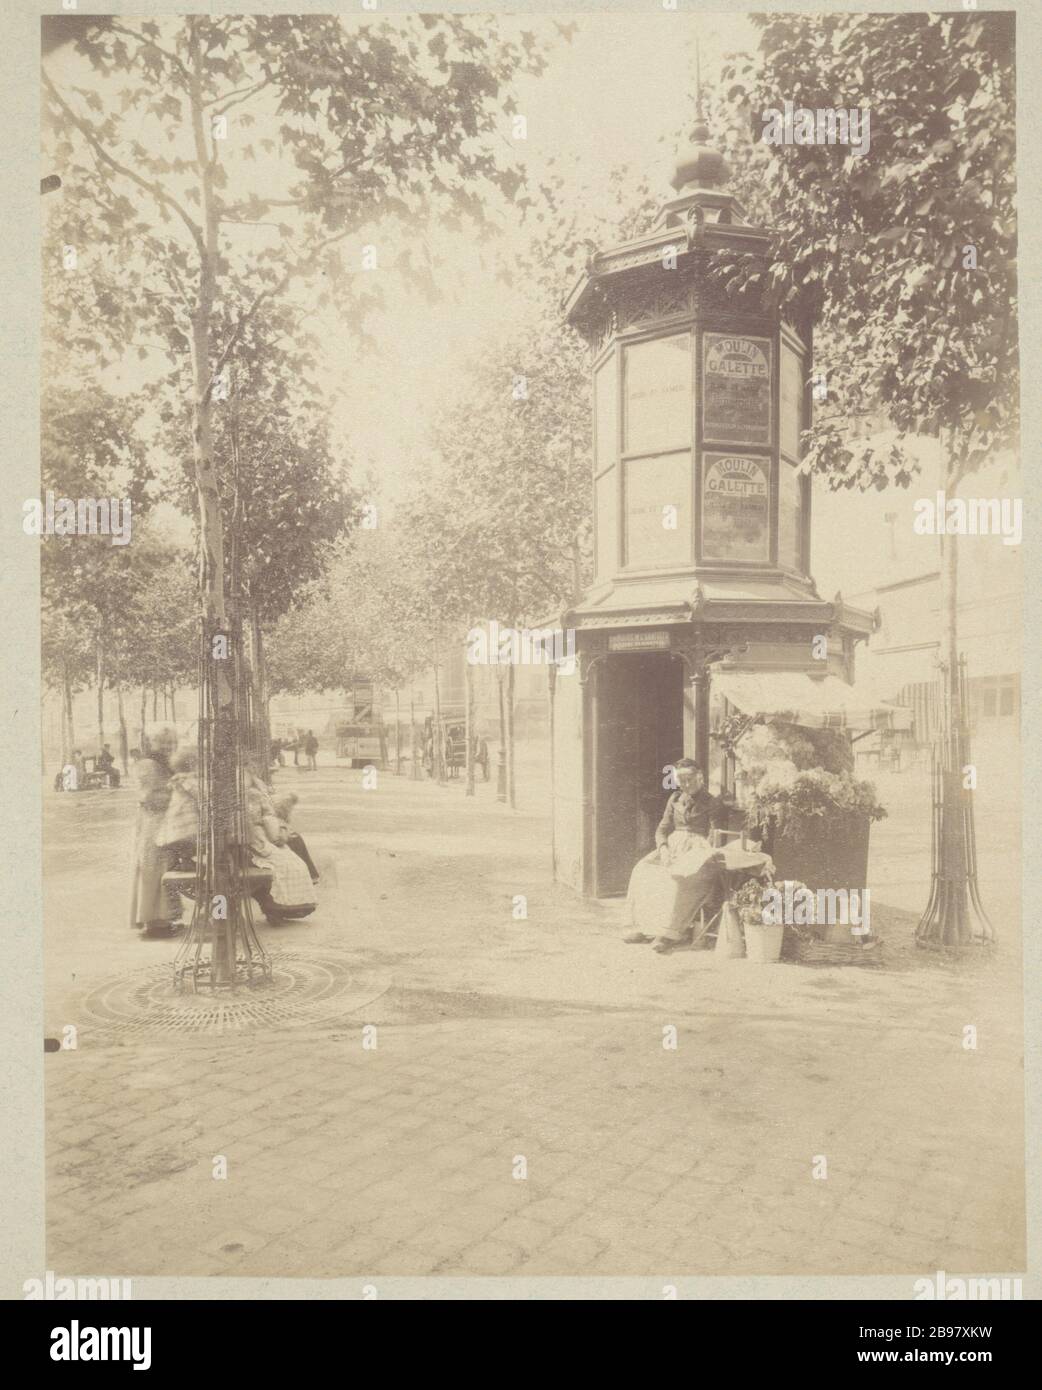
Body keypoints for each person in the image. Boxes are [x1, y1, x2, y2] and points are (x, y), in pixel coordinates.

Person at [622, 759, 726, 955]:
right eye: (681, 780)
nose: (686, 784)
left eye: (690, 779)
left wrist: (700, 853)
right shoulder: (675, 799)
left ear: (700, 778)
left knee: (675, 879)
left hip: (699, 851)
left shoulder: (712, 802)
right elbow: (662, 829)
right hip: (673, 846)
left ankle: (667, 934)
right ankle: (645, 928)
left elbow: (715, 834)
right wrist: (663, 848)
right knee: (642, 870)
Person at [246, 757, 317, 922]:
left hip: (257, 839)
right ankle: (275, 907)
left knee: (291, 860)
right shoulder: (253, 794)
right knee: (287, 861)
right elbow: (267, 818)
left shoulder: (256, 792)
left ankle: (277, 907)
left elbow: (268, 816)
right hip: (254, 842)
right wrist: (276, 834)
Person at [129, 726, 182, 938]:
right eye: (164, 743)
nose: (169, 746)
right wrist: (177, 794)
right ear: (153, 744)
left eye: (171, 743)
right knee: (154, 869)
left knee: (163, 867)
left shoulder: (162, 764)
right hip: (154, 823)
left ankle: (163, 919)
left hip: (162, 821)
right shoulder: (149, 765)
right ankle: (155, 922)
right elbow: (150, 797)